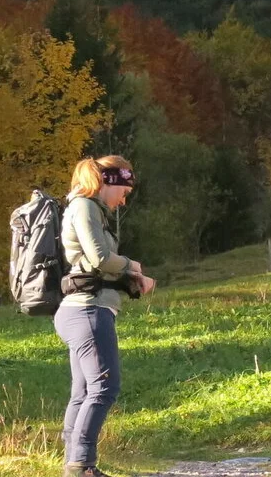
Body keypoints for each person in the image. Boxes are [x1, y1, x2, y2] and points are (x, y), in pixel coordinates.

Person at [56, 156, 158, 477]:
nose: (124, 200)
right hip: (88, 310)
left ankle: (75, 464)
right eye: (124, 192)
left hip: (83, 309)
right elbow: (99, 257)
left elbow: (96, 264)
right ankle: (81, 465)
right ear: (108, 182)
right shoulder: (85, 206)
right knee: (104, 387)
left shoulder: (88, 208)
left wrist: (127, 279)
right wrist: (133, 266)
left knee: (84, 392)